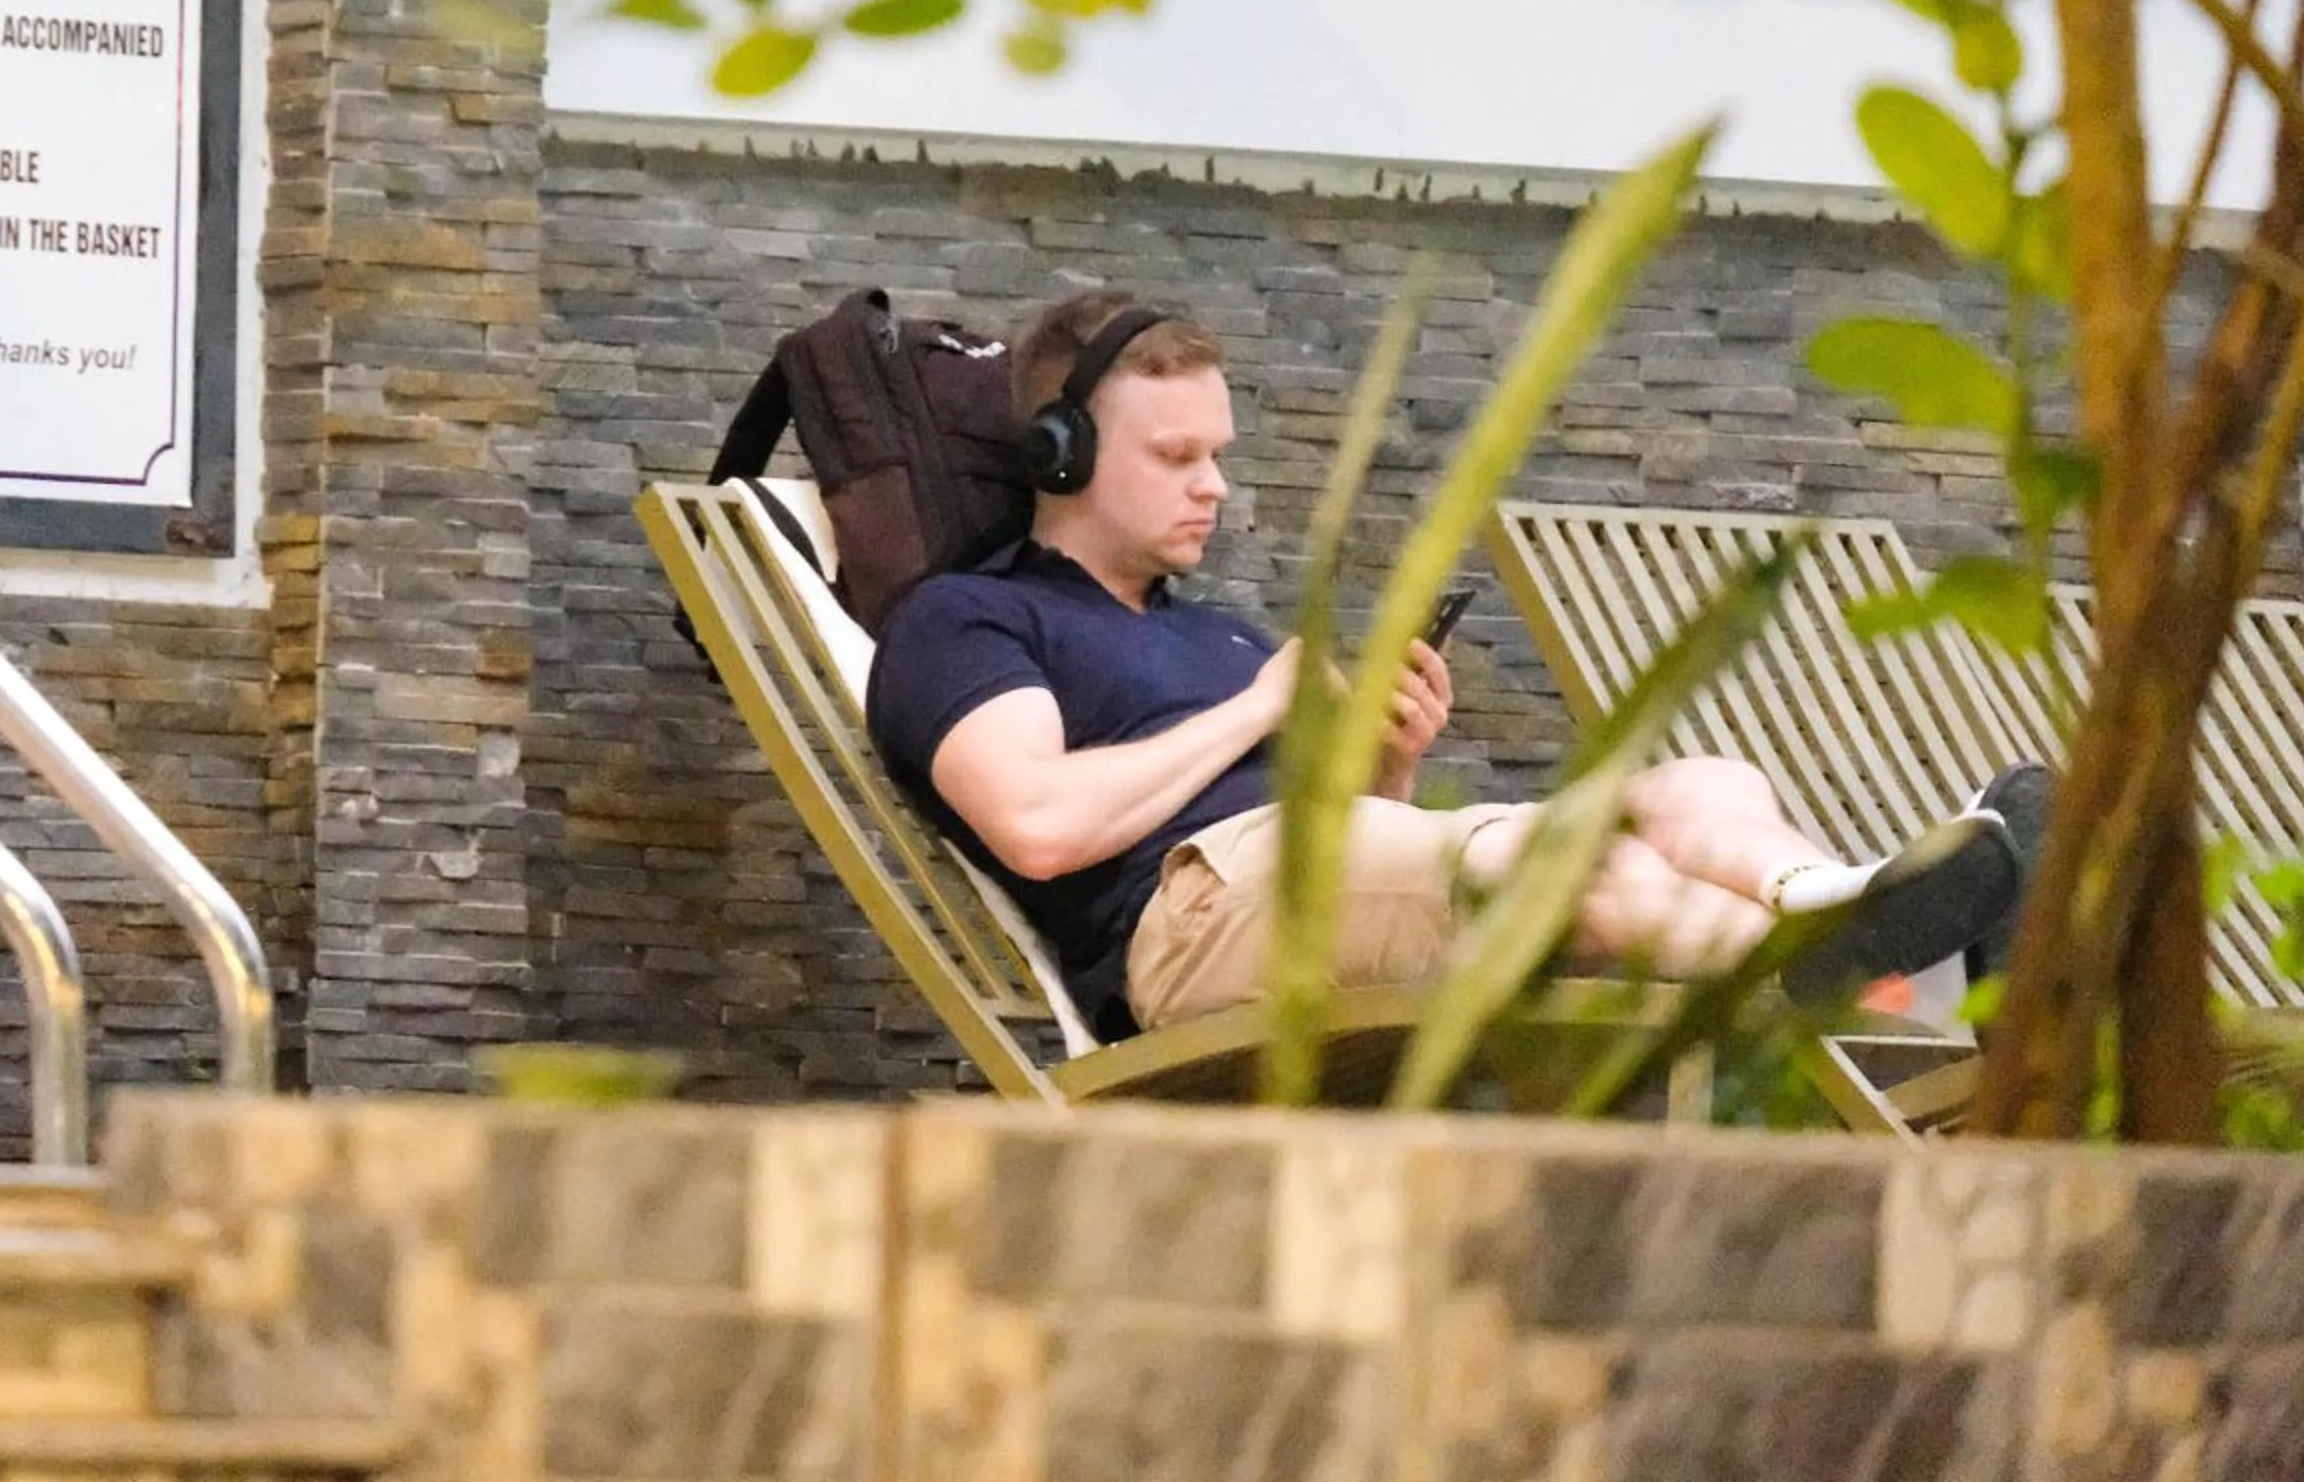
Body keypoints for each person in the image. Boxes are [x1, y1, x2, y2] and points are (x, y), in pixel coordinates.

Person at [864, 289, 2032, 1043]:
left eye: (1217, 453)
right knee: (1570, 871)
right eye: (1176, 455)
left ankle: (1840, 907)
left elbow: (1376, 883)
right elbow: (1038, 825)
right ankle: (1916, 1009)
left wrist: (1390, 762)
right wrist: (1260, 708)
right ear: (1060, 458)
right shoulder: (969, 616)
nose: (1212, 484)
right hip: (1182, 922)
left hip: (1303, 892)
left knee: (1696, 787)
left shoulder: (1214, 631)